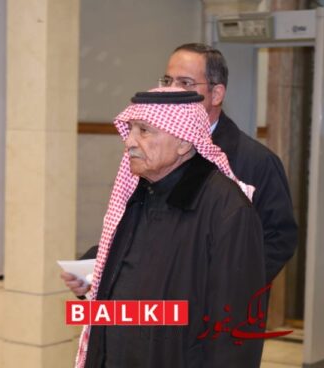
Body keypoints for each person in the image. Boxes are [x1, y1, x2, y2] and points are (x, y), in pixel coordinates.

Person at [73, 88, 266, 368]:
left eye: (144, 131)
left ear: (183, 141)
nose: (130, 141)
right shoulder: (139, 194)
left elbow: (238, 322)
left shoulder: (225, 209)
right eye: (131, 130)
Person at [64, 43, 298, 293]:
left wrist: (220, 287)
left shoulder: (255, 160)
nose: (172, 90)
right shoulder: (152, 152)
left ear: (216, 94)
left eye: (185, 83)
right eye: (168, 81)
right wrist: (98, 265)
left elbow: (278, 240)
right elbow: (145, 228)